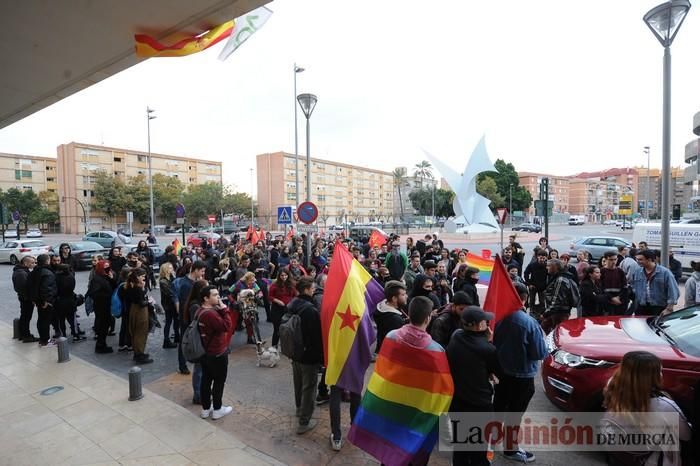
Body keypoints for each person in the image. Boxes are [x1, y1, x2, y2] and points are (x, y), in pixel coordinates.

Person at [603, 351, 691, 466]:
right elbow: (686, 436)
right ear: (652, 377)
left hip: (620, 455)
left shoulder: (612, 386)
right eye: (659, 371)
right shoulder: (663, 406)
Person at [493, 282, 547, 463]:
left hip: (501, 373)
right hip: (522, 376)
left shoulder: (496, 316)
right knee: (514, 414)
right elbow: (539, 353)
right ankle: (510, 449)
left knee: (498, 407)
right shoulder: (528, 323)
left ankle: (492, 438)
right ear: (524, 298)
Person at [447, 306, 500, 466]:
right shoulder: (487, 349)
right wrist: (489, 341)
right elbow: (496, 371)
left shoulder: (456, 336)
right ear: (478, 326)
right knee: (478, 451)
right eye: (485, 321)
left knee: (461, 446)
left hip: (457, 402)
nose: (488, 323)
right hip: (479, 406)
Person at [287, 276, 323, 435]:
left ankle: (299, 409)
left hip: (294, 352)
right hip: (308, 355)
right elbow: (316, 337)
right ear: (307, 289)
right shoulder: (310, 310)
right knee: (309, 388)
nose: (314, 290)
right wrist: (321, 357)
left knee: (298, 382)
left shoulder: (292, 303)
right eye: (313, 288)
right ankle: (304, 421)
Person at [196, 286, 235, 420]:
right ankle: (217, 409)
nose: (218, 297)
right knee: (219, 381)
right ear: (206, 298)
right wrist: (224, 310)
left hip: (205, 352)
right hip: (217, 353)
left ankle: (206, 409)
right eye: (214, 295)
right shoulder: (210, 314)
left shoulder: (200, 311)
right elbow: (226, 326)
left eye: (218, 294)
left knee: (206, 380)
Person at [175, 261, 207, 375]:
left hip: (194, 316)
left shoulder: (197, 281)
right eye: (202, 271)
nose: (203, 273)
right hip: (187, 318)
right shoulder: (185, 284)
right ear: (196, 270)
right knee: (185, 340)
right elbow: (184, 304)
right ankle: (182, 364)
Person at [630, 249, 679, 316]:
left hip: (659, 308)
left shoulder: (665, 272)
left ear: (649, 259)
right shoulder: (637, 272)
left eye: (640, 259)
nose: (638, 262)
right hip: (641, 307)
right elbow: (633, 286)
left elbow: (673, 291)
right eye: (637, 259)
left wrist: (669, 308)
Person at [27, 254, 58, 347]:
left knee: (41, 320)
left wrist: (33, 299)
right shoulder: (47, 273)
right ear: (47, 261)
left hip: (38, 301)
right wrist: (47, 301)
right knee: (45, 321)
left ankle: (42, 339)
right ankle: (45, 340)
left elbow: (30, 287)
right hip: (45, 302)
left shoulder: (34, 271)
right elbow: (46, 288)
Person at [542, 259, 579, 334]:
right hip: (556, 311)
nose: (546, 267)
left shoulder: (561, 280)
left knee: (558, 333)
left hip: (559, 312)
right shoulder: (558, 277)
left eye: (549, 266)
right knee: (544, 327)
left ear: (555, 267)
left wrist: (546, 313)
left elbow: (557, 299)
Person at [124, 268, 152, 364]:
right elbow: (141, 302)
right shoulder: (136, 287)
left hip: (134, 310)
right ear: (137, 277)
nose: (144, 278)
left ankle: (138, 353)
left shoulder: (131, 285)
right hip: (139, 311)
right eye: (142, 276)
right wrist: (148, 302)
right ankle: (139, 354)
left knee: (137, 332)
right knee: (140, 332)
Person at [87, 260, 116, 353]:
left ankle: (102, 344)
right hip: (101, 305)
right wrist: (105, 296)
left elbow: (114, 287)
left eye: (108, 266)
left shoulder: (107, 277)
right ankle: (100, 345)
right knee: (103, 325)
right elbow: (92, 293)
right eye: (105, 266)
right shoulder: (97, 279)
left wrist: (111, 279)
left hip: (107, 304)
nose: (107, 268)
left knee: (106, 324)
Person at [374, 281, 408, 355]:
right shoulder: (395, 319)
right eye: (403, 294)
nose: (406, 296)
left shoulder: (383, 306)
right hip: (390, 355)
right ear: (394, 299)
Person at [269, 267, 297, 348]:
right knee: (277, 329)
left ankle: (285, 346)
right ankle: (274, 347)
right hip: (276, 309)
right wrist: (278, 301)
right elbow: (270, 296)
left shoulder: (292, 284)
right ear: (279, 276)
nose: (284, 277)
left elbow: (295, 295)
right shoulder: (274, 285)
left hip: (288, 309)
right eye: (282, 275)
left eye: (285, 275)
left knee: (287, 329)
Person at [54, 263, 82, 341]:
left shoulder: (56, 278)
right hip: (70, 300)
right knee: (72, 319)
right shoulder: (71, 277)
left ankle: (63, 335)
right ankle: (75, 335)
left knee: (61, 320)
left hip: (59, 301)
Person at [13, 255, 38, 342]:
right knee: (26, 317)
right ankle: (26, 336)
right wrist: (31, 299)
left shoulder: (23, 271)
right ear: (25, 263)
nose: (34, 264)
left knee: (25, 317)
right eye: (32, 263)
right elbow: (24, 288)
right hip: (26, 299)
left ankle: (24, 334)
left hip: (25, 298)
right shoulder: (21, 273)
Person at [600, 251, 629, 315]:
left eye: (615, 259)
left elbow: (624, 287)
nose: (613, 262)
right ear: (605, 260)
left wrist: (619, 297)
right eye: (611, 260)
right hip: (606, 302)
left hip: (619, 301)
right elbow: (600, 288)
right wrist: (611, 298)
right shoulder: (601, 271)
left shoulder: (620, 271)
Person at [524, 249, 549, 318]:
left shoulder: (547, 266)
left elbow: (550, 275)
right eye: (540, 257)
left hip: (543, 287)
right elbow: (526, 273)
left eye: (543, 258)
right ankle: (532, 313)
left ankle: (542, 314)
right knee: (531, 300)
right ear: (537, 257)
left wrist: (548, 286)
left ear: (546, 258)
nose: (542, 259)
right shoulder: (532, 265)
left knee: (542, 301)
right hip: (533, 286)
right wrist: (529, 284)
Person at [159, 262, 179, 349]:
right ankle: (166, 341)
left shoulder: (172, 278)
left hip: (173, 303)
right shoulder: (163, 281)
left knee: (176, 321)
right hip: (168, 304)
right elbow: (170, 293)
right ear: (166, 269)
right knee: (168, 322)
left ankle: (177, 337)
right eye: (170, 268)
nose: (172, 270)